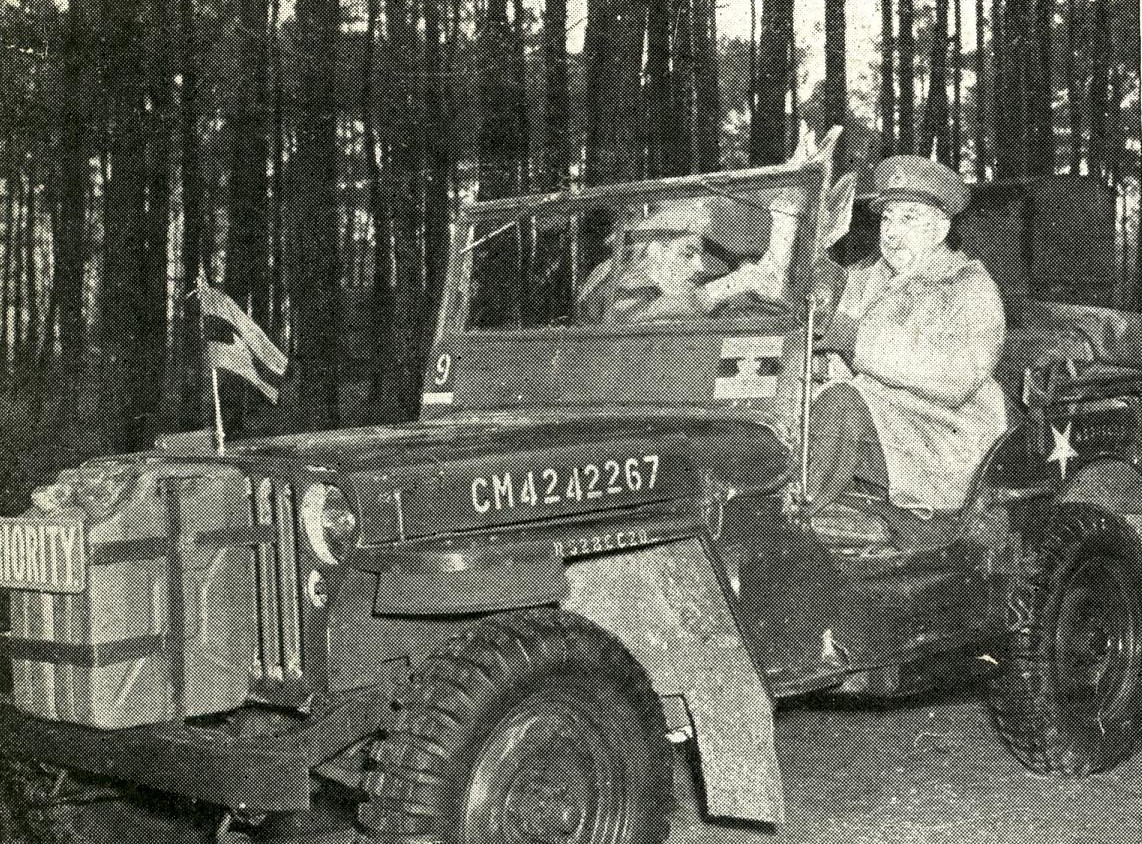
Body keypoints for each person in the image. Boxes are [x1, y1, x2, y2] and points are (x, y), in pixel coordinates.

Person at [804, 155, 1007, 513]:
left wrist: (851, 338)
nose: (892, 233)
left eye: (908, 218)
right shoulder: (863, 279)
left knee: (842, 405)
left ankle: (792, 519)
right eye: (886, 218)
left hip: (942, 440)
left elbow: (954, 378)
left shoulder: (969, 287)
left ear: (941, 229)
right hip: (885, 427)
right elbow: (834, 360)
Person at [599, 187, 809, 321]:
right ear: (656, 249)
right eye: (687, 254)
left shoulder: (678, 284)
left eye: (699, 255)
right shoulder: (617, 281)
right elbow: (634, 316)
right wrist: (730, 285)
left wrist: (785, 221)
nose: (699, 265)